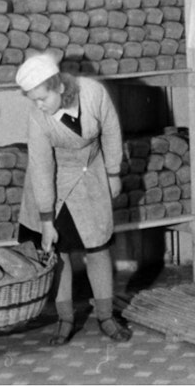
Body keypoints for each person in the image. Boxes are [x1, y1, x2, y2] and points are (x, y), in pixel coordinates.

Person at [16, 53, 131, 345]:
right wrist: (46, 219)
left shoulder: (92, 92)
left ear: (59, 86)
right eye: (33, 100)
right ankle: (65, 320)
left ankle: (106, 316)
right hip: (54, 184)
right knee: (61, 253)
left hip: (91, 176)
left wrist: (113, 172)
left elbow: (111, 131)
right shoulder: (38, 118)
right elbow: (42, 168)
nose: (38, 105)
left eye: (42, 98)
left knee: (98, 248)